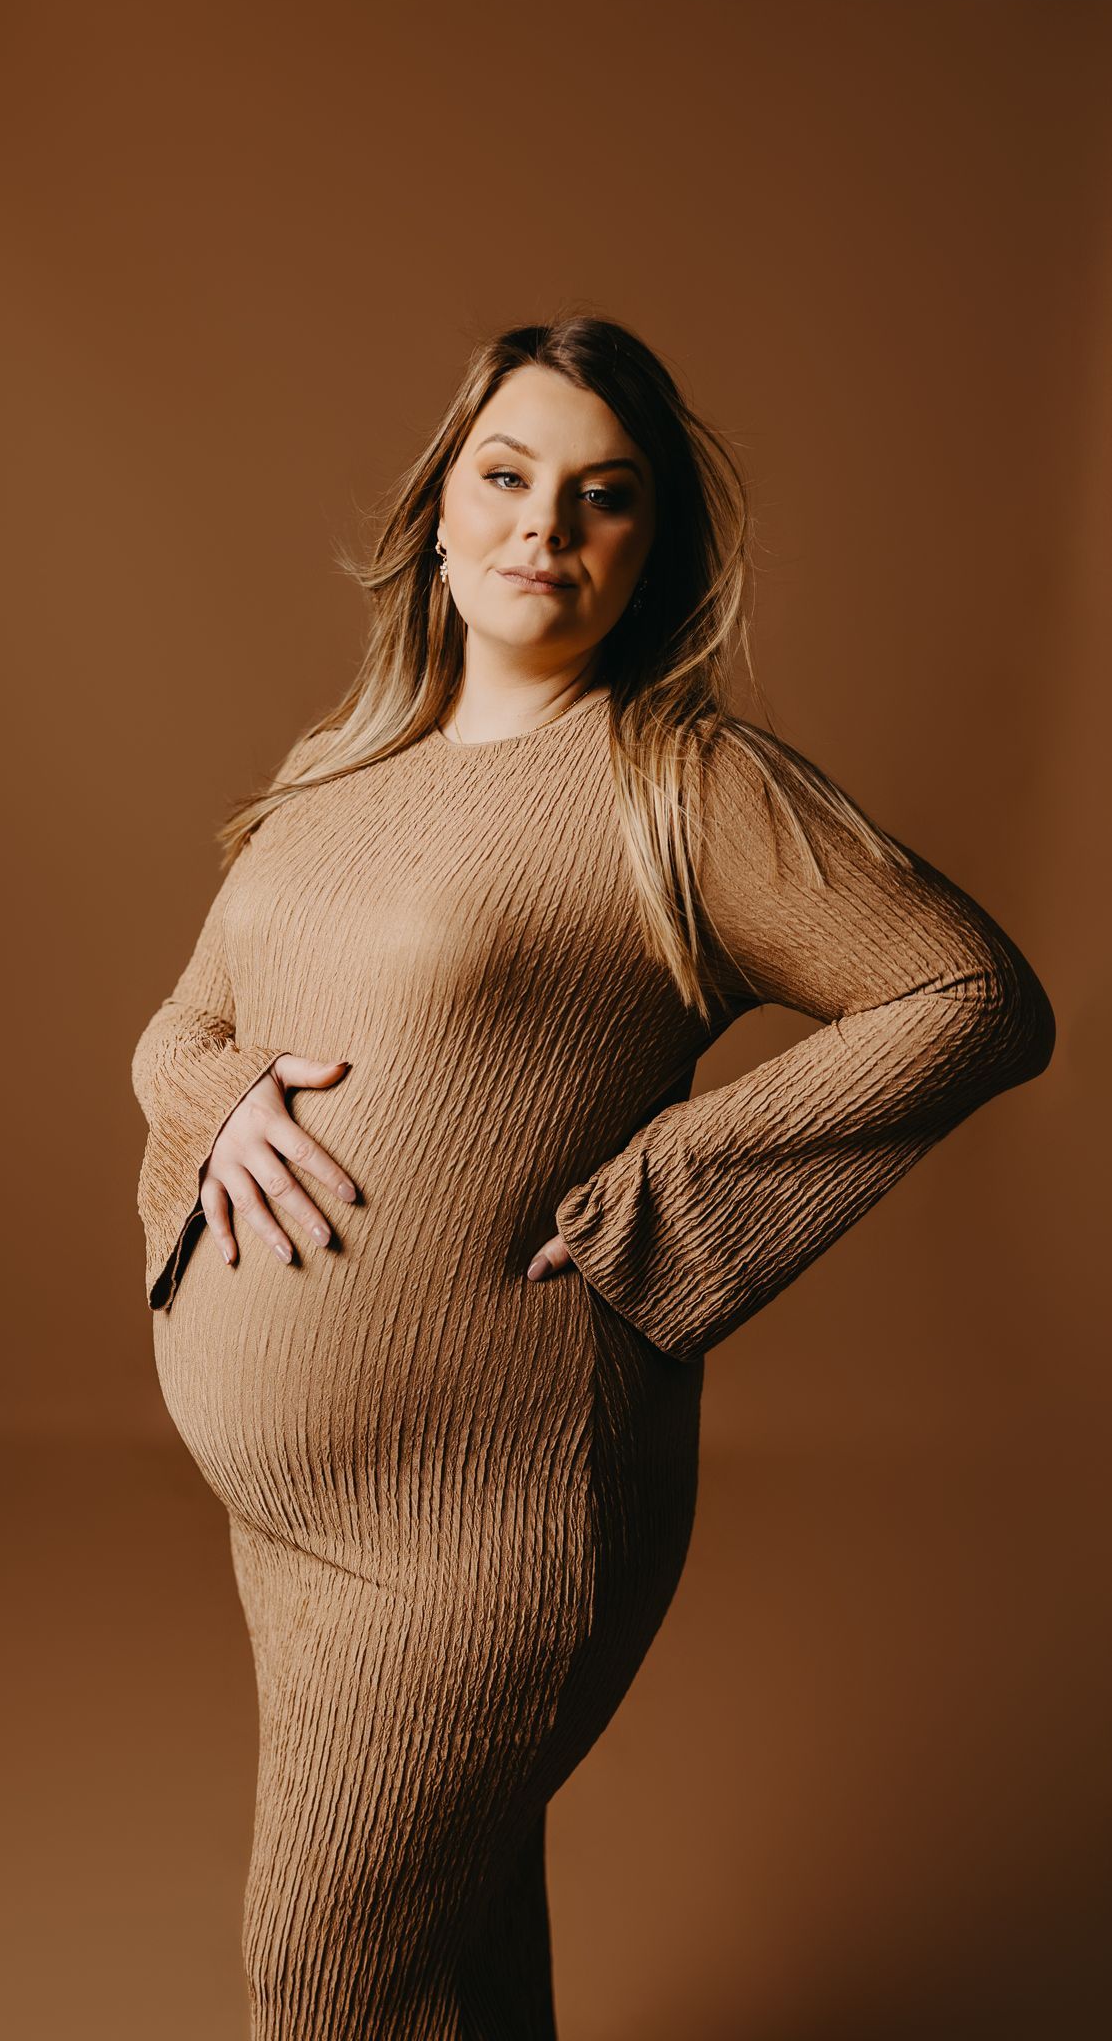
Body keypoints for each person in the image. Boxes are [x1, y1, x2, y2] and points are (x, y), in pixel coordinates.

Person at [129, 315, 1055, 2040]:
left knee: (324, 1978)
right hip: (291, 1518)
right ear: (438, 509)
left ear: (653, 548)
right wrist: (217, 1099)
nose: (541, 527)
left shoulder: (677, 785)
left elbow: (971, 999)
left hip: (483, 1520)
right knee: (459, 1964)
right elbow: (181, 1023)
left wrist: (663, 1197)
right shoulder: (342, 772)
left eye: (601, 497)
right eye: (505, 475)